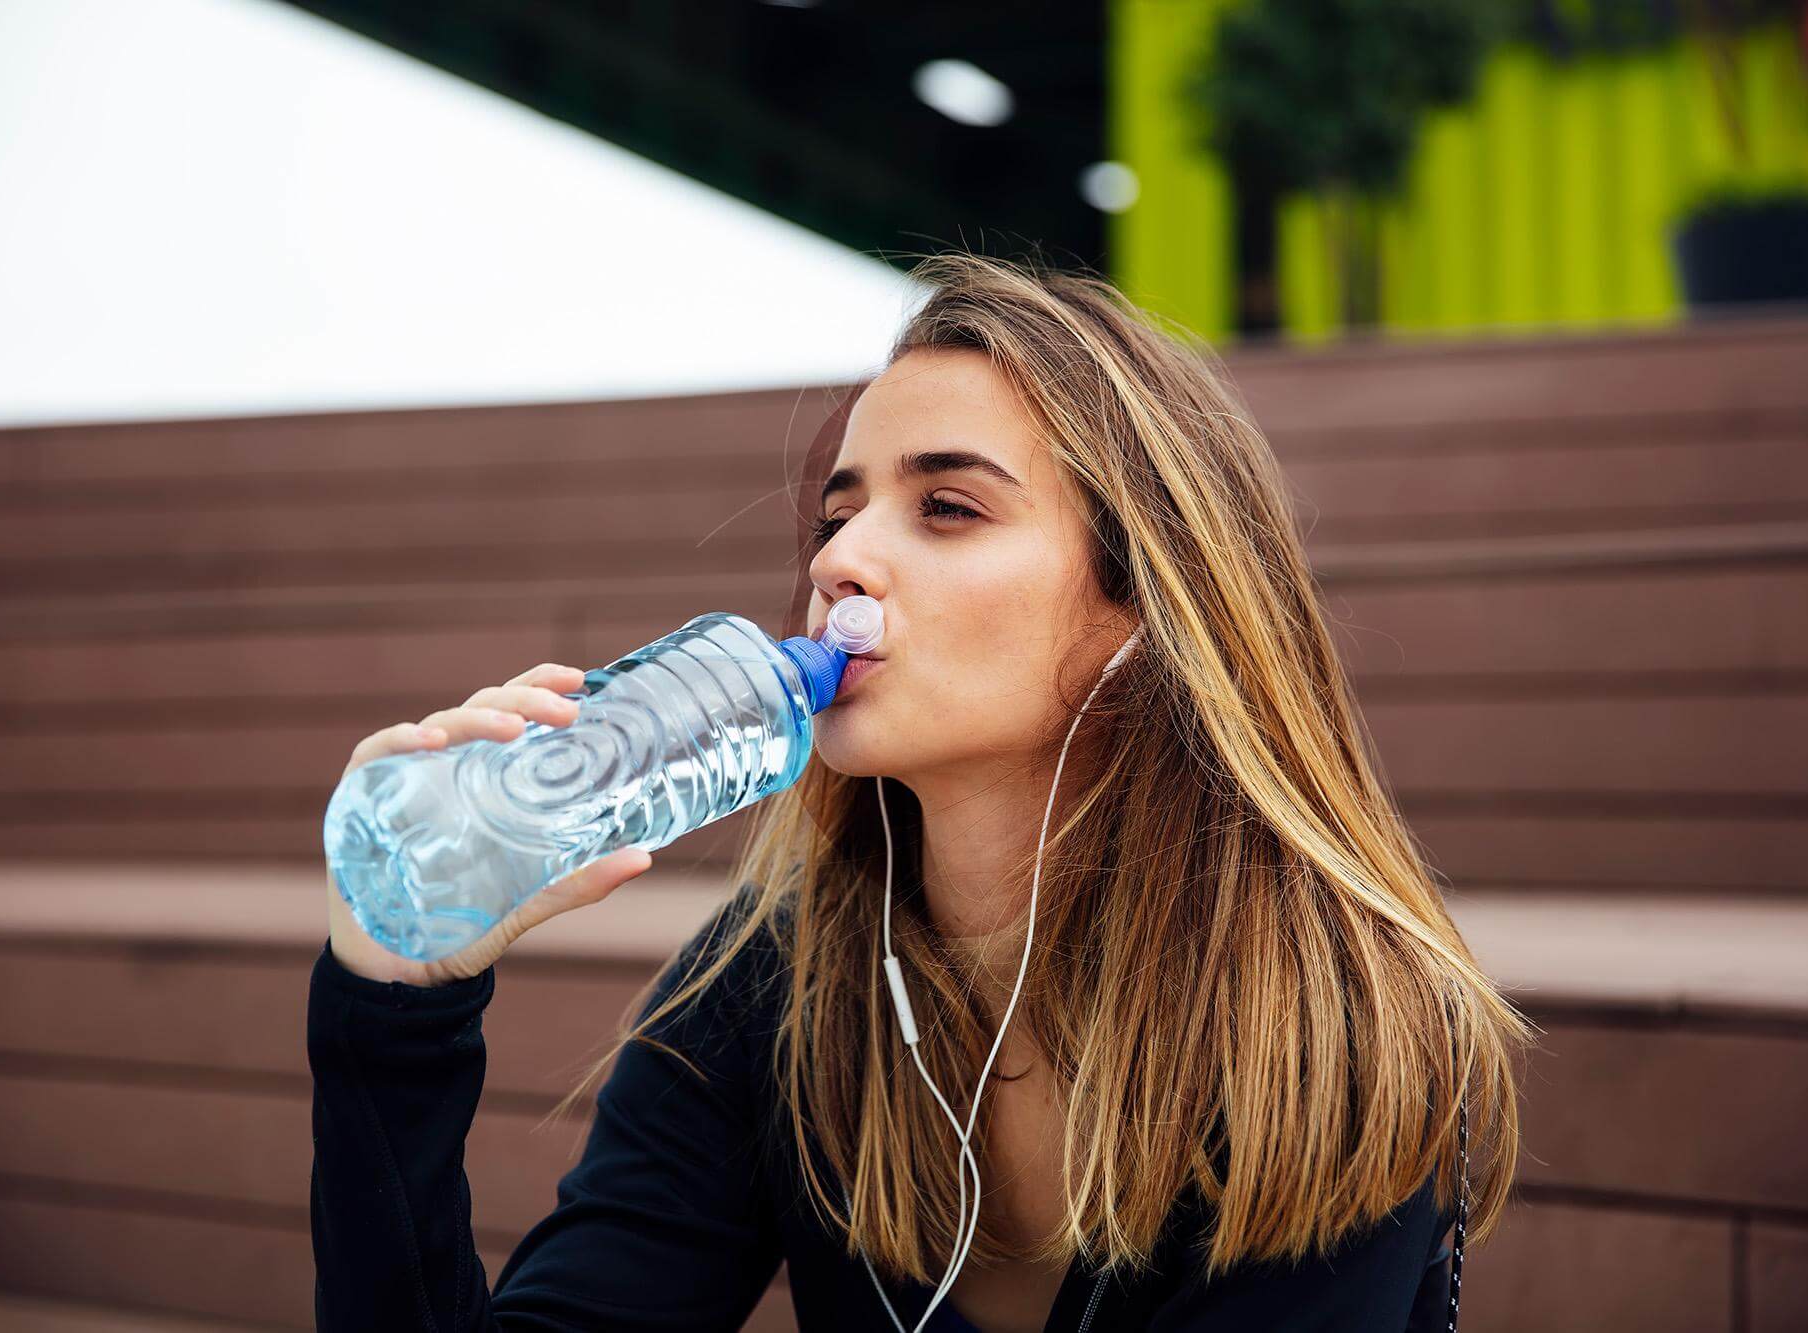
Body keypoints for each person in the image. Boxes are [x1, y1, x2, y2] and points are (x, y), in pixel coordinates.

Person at [306, 251, 1534, 1331]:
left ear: (1145, 606)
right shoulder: (775, 986)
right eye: (839, 514)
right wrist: (394, 1005)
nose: (839, 558)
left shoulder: (1325, 1032)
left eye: (945, 508)